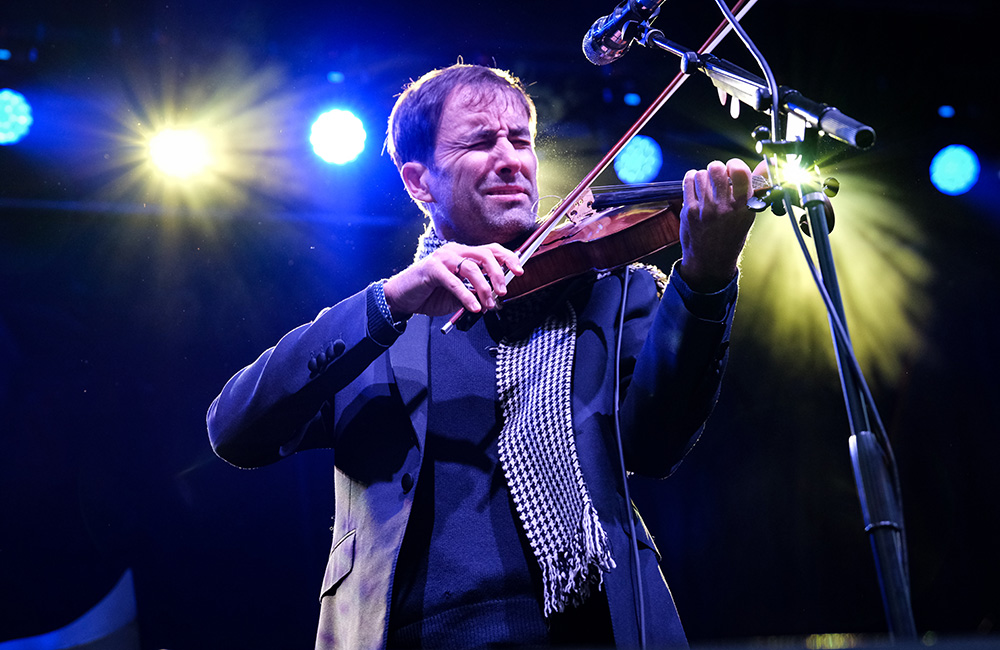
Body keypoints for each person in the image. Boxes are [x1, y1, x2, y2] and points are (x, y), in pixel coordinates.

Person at [207, 63, 761, 649]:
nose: (511, 159)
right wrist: (391, 300)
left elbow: (656, 446)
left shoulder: (609, 292)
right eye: (480, 142)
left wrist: (706, 280)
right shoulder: (380, 329)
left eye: (520, 140)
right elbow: (235, 430)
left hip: (594, 632)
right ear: (419, 182)